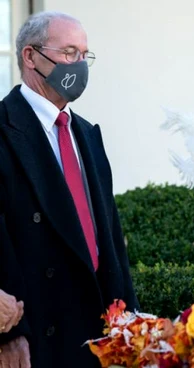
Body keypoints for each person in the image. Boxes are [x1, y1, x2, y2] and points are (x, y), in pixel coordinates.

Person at [0, 11, 138, 367]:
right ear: (30, 57)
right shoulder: (3, 129)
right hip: (34, 335)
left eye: (84, 55)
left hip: (97, 332)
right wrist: (9, 334)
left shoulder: (88, 134)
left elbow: (108, 237)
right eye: (69, 53)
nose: (80, 65)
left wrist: (132, 321)